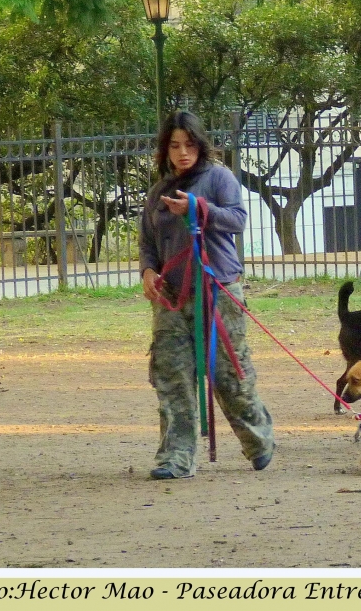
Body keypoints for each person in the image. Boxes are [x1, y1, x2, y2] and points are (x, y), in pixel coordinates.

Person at [140, 111, 275, 480]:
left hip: (218, 289)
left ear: (200, 145)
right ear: (165, 150)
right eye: (174, 145)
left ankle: (259, 437)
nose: (182, 152)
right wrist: (148, 271)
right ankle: (177, 457)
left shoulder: (220, 177)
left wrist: (199, 209)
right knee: (172, 378)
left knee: (228, 376)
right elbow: (149, 243)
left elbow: (237, 219)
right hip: (171, 296)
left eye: (189, 144)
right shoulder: (158, 192)